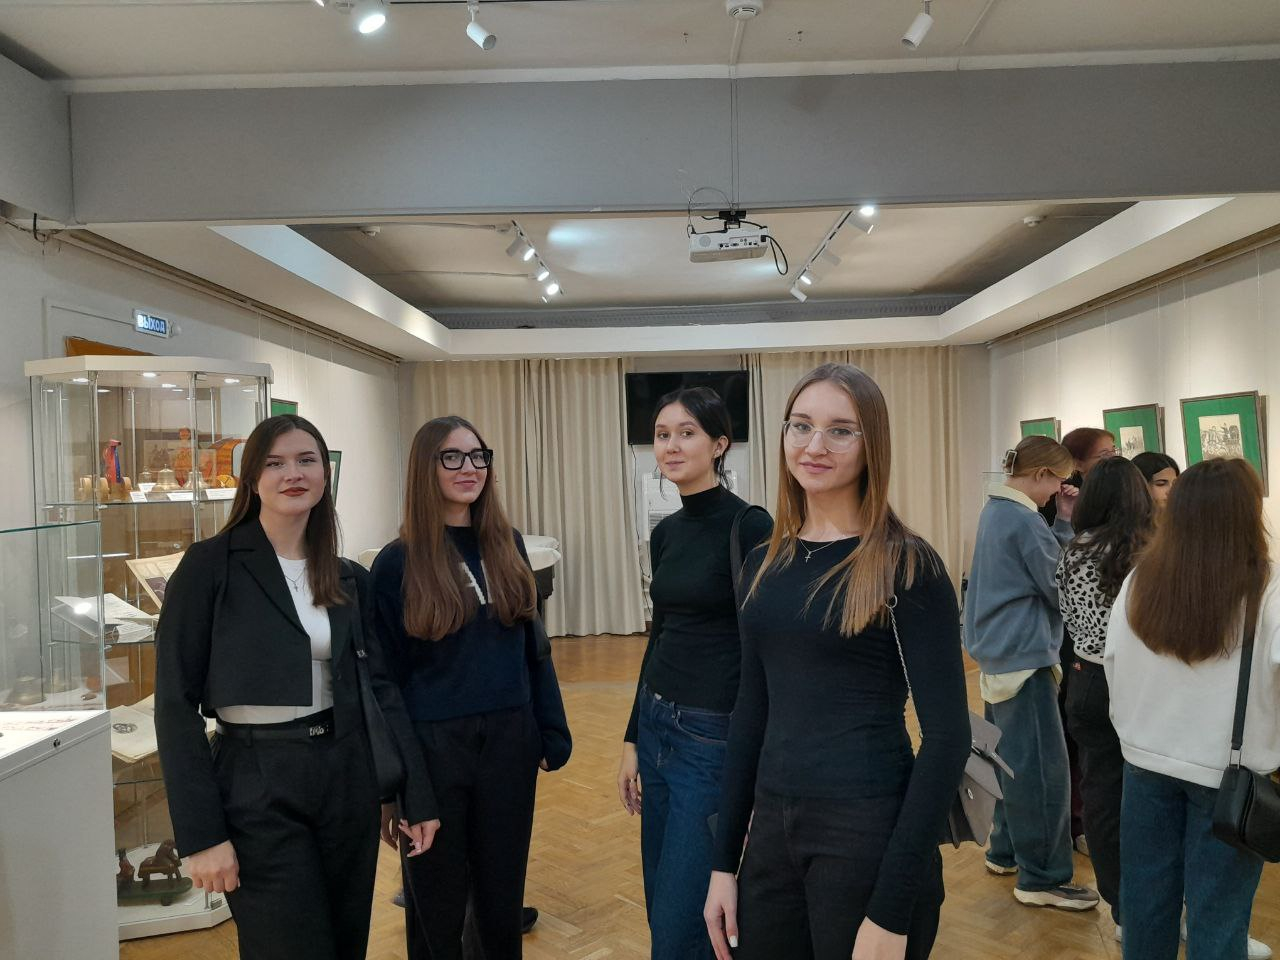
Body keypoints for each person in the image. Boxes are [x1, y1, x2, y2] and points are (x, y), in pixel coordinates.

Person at [704, 363, 970, 960]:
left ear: (872, 444)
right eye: (800, 426)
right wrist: (724, 864)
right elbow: (750, 711)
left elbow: (948, 738)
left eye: (840, 430)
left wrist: (892, 905)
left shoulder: (906, 564)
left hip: (866, 829)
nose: (815, 445)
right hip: (773, 830)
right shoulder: (763, 562)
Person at [154, 414, 437, 960]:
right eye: (275, 463)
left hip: (345, 775)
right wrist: (201, 835)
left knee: (345, 943)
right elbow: (173, 705)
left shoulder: (347, 575)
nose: (293, 474)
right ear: (252, 478)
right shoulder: (210, 566)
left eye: (307, 460)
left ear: (325, 474)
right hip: (255, 780)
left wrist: (409, 794)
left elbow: (380, 690)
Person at [372, 415, 571, 960]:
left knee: (500, 902)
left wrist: (550, 729)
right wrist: (398, 788)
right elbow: (385, 684)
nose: (470, 468)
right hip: (433, 752)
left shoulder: (507, 544)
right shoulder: (396, 563)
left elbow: (533, 648)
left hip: (509, 743)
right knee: (435, 907)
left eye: (479, 456)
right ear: (425, 467)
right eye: (453, 457)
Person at [618, 386, 772, 960]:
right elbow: (660, 634)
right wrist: (632, 738)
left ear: (720, 444)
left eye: (687, 433)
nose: (672, 445)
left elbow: (767, 645)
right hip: (657, 722)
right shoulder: (667, 532)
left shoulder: (750, 526)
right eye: (662, 435)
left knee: (688, 915)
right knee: (661, 893)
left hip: (712, 735)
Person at [1106, 458, 1280, 960]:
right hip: (1230, 774)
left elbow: (1113, 662)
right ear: (1248, 512)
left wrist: (1136, 729)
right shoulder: (1267, 588)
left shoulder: (1142, 579)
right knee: (1218, 917)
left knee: (1145, 904)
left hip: (1144, 763)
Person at [964, 435, 1100, 911]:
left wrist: (1061, 521)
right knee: (1041, 774)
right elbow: (1061, 586)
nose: (1059, 490)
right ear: (1042, 474)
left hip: (1001, 659)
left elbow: (1044, 571)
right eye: (1058, 481)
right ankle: (1043, 877)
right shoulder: (1023, 520)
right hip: (1023, 661)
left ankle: (1005, 851)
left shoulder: (996, 511)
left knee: (1008, 763)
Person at [1056, 456, 1154, 935]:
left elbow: (1065, 612)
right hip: (1136, 682)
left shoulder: (1073, 550)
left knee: (1101, 796)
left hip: (1085, 678)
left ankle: (1122, 910)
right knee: (1149, 798)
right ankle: (1155, 905)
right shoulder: (1147, 551)